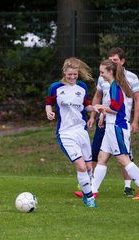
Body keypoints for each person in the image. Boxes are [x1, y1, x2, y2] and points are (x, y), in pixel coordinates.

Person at [75, 47, 139, 198]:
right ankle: (91, 189)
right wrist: (97, 115)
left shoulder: (124, 81)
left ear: (122, 61)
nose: (111, 63)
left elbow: (119, 106)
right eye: (110, 60)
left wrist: (134, 121)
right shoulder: (107, 81)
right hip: (107, 121)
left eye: (115, 60)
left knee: (123, 158)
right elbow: (100, 98)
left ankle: (136, 187)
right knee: (100, 156)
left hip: (118, 124)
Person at [91, 59, 139, 200]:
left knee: (123, 159)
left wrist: (101, 107)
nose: (101, 76)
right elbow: (114, 107)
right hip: (111, 126)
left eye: (102, 72)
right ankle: (92, 192)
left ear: (110, 72)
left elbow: (115, 109)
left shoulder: (115, 87)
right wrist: (103, 114)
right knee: (102, 158)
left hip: (117, 127)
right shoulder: (113, 85)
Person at [45, 57, 98, 208]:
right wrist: (49, 112)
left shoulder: (82, 87)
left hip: (81, 131)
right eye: (70, 75)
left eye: (75, 74)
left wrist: (95, 108)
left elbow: (86, 105)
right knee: (81, 166)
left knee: (89, 167)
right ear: (64, 72)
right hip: (66, 133)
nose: (72, 77)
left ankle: (86, 189)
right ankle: (89, 198)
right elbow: (48, 103)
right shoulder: (55, 87)